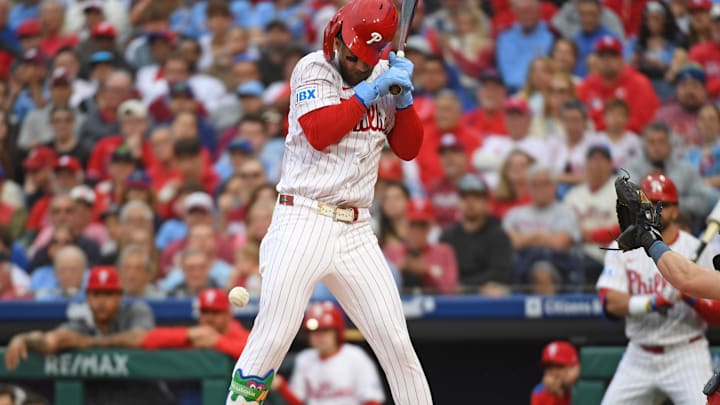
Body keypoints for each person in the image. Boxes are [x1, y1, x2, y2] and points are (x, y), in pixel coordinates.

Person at [224, 0, 432, 403]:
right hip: (302, 219)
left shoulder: (386, 76)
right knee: (275, 334)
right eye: (350, 53)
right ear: (336, 35)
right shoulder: (312, 67)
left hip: (355, 230)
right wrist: (370, 91)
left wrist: (404, 103)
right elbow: (321, 131)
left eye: (363, 59)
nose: (354, 62)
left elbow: (408, 149)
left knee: (397, 344)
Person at [596, 174, 714, 404]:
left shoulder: (694, 246)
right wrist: (652, 303)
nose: (656, 209)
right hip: (639, 354)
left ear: (676, 211)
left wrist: (692, 299)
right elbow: (609, 302)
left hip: (686, 352)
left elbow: (718, 315)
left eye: (664, 204)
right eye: (650, 203)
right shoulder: (624, 247)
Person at [272, 301, 386, 405]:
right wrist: (281, 386)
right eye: (315, 332)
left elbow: (372, 400)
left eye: (325, 330)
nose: (319, 337)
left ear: (337, 332)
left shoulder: (356, 357)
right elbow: (298, 401)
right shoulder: (304, 359)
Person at [91, 287, 249, 358]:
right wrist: (187, 334)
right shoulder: (196, 335)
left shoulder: (238, 333)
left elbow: (254, 352)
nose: (208, 318)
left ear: (228, 314)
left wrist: (218, 342)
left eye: (215, 312)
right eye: (205, 312)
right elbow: (149, 339)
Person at [531, 341, 580, 405]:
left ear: (574, 368)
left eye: (559, 366)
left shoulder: (585, 387)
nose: (553, 371)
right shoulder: (540, 391)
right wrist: (558, 397)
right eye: (548, 366)